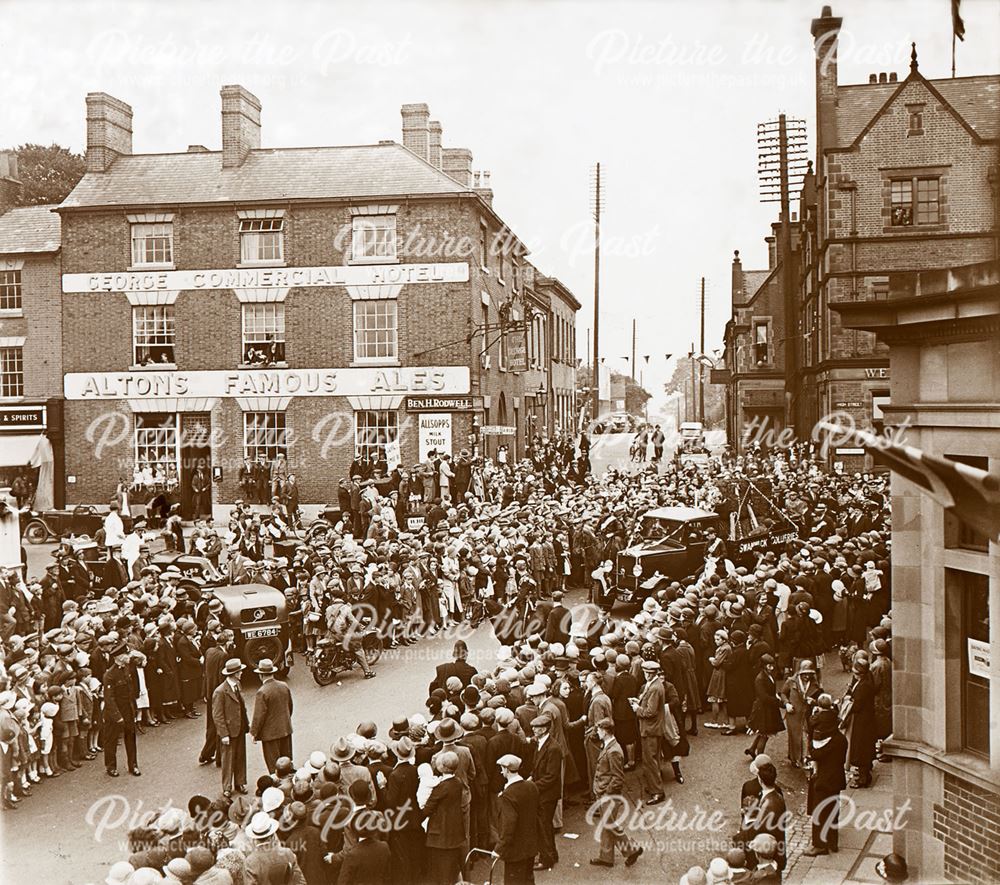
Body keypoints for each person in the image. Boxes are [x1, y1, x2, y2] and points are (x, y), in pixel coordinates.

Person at [588, 717, 642, 869]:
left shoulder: (614, 751)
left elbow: (618, 778)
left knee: (610, 824)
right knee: (607, 824)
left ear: (605, 732)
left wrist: (606, 793)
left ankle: (632, 849)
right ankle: (606, 857)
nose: (597, 732)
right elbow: (593, 738)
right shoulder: (608, 745)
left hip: (608, 795)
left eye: (599, 730)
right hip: (604, 792)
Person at [804, 708, 848, 856]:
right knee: (833, 811)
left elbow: (815, 753)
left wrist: (811, 743)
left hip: (824, 780)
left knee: (820, 812)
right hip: (836, 779)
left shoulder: (826, 743)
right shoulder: (841, 739)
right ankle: (832, 841)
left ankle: (819, 844)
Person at [421, 750, 466, 885]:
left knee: (440, 870)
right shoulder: (457, 782)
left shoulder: (441, 787)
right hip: (454, 831)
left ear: (443, 767)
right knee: (450, 868)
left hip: (440, 834)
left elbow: (428, 809)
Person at [494, 753, 539, 884]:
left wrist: (499, 848)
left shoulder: (508, 795)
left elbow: (508, 825)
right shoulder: (531, 786)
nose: (501, 772)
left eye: (502, 769)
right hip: (530, 845)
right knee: (528, 880)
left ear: (507, 770)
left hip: (515, 850)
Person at [529, 713, 562, 872]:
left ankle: (546, 859)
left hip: (547, 794)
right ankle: (551, 854)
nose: (534, 730)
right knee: (545, 826)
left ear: (545, 729)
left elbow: (551, 776)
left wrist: (533, 786)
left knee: (543, 827)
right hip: (544, 792)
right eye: (534, 727)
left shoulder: (553, 748)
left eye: (537, 727)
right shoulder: (541, 744)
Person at [102, 643, 141, 778]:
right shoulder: (109, 675)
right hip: (114, 712)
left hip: (128, 709)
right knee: (111, 740)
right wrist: (117, 716)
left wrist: (134, 709)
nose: (128, 656)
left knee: (130, 737)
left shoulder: (127, 669)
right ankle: (111, 766)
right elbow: (109, 699)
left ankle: (133, 764)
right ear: (118, 657)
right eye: (126, 654)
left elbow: (131, 691)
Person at [211, 658, 249, 798]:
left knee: (240, 756)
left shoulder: (237, 685)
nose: (241, 673)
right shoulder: (220, 692)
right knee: (228, 759)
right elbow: (218, 715)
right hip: (228, 731)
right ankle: (227, 787)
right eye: (239, 671)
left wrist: (246, 724)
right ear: (234, 673)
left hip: (239, 727)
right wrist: (223, 734)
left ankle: (240, 782)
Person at [250, 658, 293, 773]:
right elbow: (290, 707)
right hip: (285, 729)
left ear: (261, 675)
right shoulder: (284, 686)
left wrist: (254, 733)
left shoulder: (262, 692)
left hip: (270, 735)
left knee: (274, 767)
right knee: (287, 763)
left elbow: (259, 716)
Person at [633, 659, 665, 805]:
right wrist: (639, 702)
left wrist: (637, 709)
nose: (645, 675)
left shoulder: (654, 688)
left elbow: (650, 712)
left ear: (650, 674)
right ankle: (653, 786)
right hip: (654, 728)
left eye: (646, 673)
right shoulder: (655, 685)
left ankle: (657, 791)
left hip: (650, 729)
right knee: (653, 759)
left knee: (650, 761)